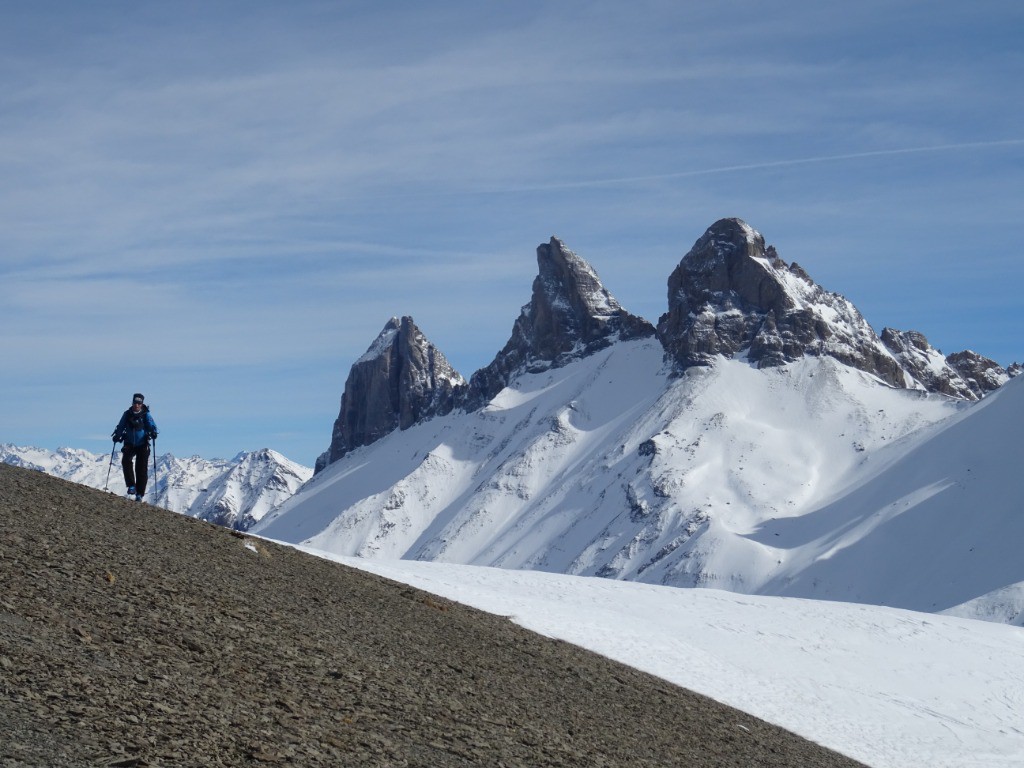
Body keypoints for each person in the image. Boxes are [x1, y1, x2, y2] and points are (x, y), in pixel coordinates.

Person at [112, 393, 159, 501]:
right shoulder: (127, 414)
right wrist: (117, 436)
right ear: (132, 403)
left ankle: (139, 494)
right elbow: (121, 426)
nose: (137, 405)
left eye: (139, 403)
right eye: (135, 402)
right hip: (129, 443)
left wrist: (153, 432)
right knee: (126, 461)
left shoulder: (146, 415)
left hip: (143, 444)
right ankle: (131, 486)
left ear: (142, 404)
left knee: (141, 468)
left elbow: (153, 426)